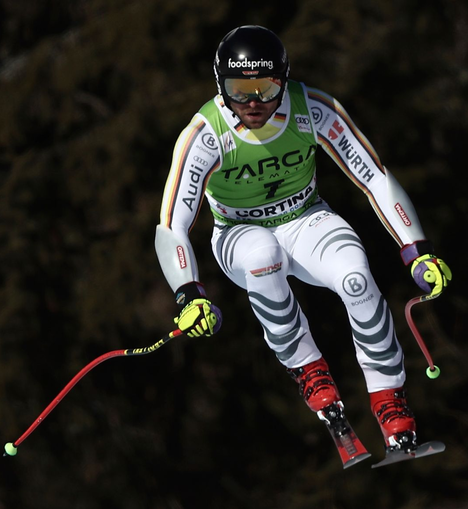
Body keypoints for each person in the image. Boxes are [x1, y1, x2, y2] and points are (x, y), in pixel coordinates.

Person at [155, 25, 452, 461]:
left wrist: (417, 249)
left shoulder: (311, 109)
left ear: (285, 78)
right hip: (239, 233)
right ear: (221, 86)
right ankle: (312, 376)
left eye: (266, 87)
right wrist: (187, 293)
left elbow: (376, 179)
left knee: (355, 277)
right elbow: (171, 226)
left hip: (307, 219)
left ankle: (391, 407)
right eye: (240, 91)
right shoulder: (205, 134)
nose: (253, 103)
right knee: (263, 257)